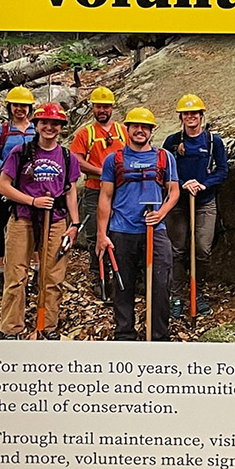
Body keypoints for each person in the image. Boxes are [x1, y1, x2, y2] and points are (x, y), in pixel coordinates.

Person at [0, 103, 81, 338]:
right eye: (44, 122)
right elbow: (3, 186)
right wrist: (32, 201)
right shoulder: (21, 152)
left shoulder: (67, 156)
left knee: (52, 276)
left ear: (61, 127)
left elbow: (70, 191)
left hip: (56, 221)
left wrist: (74, 225)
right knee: (16, 275)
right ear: (36, 125)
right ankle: (11, 329)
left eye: (55, 123)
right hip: (23, 218)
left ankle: (46, 325)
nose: (49, 127)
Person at [97, 108, 178, 341]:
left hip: (155, 230)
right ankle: (125, 334)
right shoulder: (114, 159)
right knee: (123, 284)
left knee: (161, 282)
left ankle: (159, 335)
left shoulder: (164, 158)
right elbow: (105, 197)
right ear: (128, 129)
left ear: (152, 131)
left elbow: (173, 191)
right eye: (135, 126)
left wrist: (161, 213)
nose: (140, 130)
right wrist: (102, 234)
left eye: (145, 127)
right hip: (122, 229)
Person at [162, 94, 227, 313]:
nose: (191, 117)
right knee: (177, 249)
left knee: (202, 248)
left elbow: (222, 169)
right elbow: (164, 170)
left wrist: (203, 184)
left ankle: (196, 290)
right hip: (178, 202)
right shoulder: (172, 141)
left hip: (205, 201)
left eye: (194, 113)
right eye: (186, 113)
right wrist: (182, 184)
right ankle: (177, 294)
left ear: (201, 115)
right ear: (181, 116)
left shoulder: (213, 141)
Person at [0, 85, 37, 265]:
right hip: (6, 188)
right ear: (10, 107)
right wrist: (9, 169)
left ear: (30, 108)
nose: (20, 109)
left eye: (23, 105)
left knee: (34, 225)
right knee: (3, 226)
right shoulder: (2, 131)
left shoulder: (35, 130)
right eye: (16, 105)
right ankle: (1, 269)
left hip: (32, 187)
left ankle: (36, 269)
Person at [68, 86, 127, 225]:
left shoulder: (123, 131)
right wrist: (102, 172)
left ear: (112, 107)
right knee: (94, 231)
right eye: (98, 107)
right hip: (95, 189)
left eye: (106, 107)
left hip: (121, 189)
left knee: (120, 232)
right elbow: (76, 160)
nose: (102, 111)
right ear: (93, 107)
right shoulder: (85, 134)